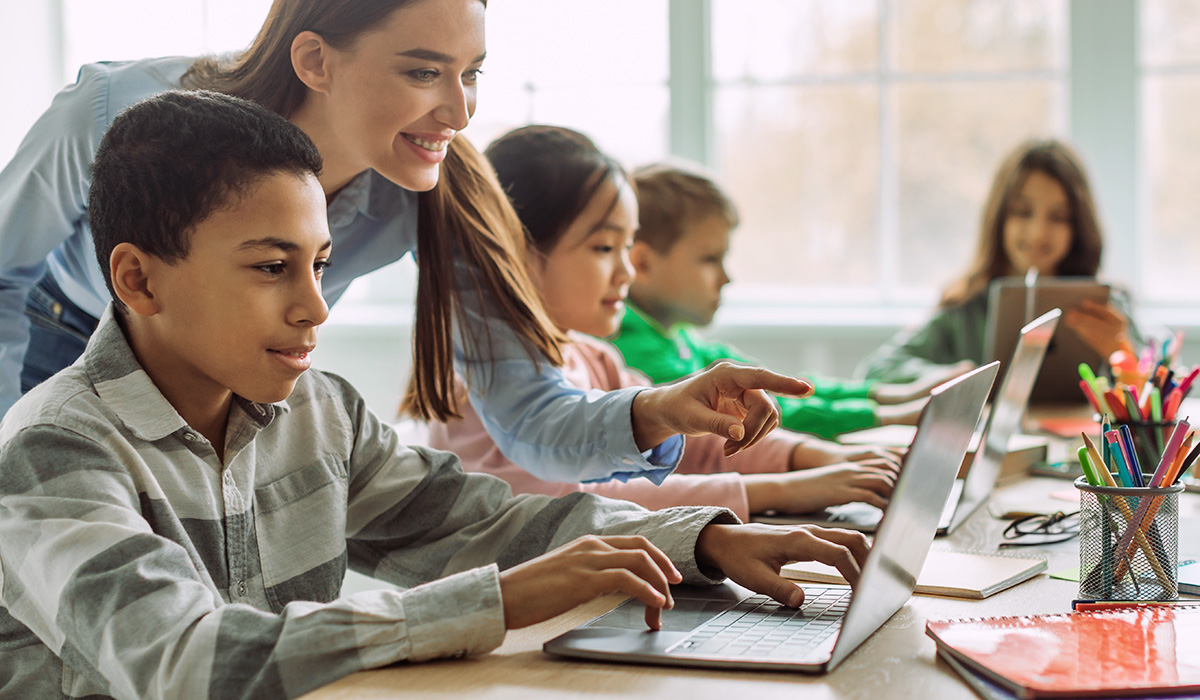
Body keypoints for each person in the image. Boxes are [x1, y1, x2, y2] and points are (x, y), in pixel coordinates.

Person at [0, 92, 870, 700]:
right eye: (272, 268)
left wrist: (710, 542)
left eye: (320, 266)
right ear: (138, 280)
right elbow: (184, 666)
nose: (312, 307)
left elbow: (492, 524)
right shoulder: (53, 451)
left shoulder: (318, 412)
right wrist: (495, 601)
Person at [0, 0, 808, 483]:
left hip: (224, 374)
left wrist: (663, 408)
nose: (459, 113)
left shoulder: (434, 191)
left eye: (471, 73)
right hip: (57, 344)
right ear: (315, 59)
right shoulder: (113, 111)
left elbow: (528, 416)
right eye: (424, 72)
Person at [429, 126, 900, 520]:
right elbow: (580, 508)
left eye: (627, 247)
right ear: (517, 249)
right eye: (603, 248)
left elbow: (694, 443)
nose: (627, 272)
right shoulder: (483, 386)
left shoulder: (597, 358)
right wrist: (786, 490)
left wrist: (823, 459)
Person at [609, 161, 948, 440]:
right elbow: (762, 414)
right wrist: (891, 414)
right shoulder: (627, 347)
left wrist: (887, 395)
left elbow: (779, 386)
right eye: (710, 259)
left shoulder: (676, 336)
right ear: (642, 263)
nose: (727, 278)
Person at [856, 138, 1134, 383]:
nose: (1038, 233)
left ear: (1078, 227)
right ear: (999, 218)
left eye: (1058, 217)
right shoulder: (965, 307)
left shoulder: (1106, 308)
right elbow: (876, 370)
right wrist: (951, 378)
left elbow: (1165, 384)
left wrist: (1124, 357)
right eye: (1022, 212)